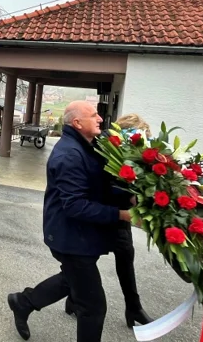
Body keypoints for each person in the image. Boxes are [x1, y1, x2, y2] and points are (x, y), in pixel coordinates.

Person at [6, 101, 132, 342]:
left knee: (71, 279)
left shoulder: (89, 145)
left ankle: (23, 302)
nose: (100, 119)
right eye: (94, 115)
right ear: (77, 123)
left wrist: (129, 198)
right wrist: (120, 214)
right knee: (93, 307)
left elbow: (97, 186)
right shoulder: (69, 155)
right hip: (70, 237)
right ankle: (23, 302)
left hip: (80, 234)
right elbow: (75, 205)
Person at [64, 114, 155, 328]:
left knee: (125, 256)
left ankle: (133, 308)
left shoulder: (122, 149)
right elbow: (102, 181)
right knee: (83, 265)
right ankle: (64, 299)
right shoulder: (103, 146)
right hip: (102, 212)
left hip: (118, 213)